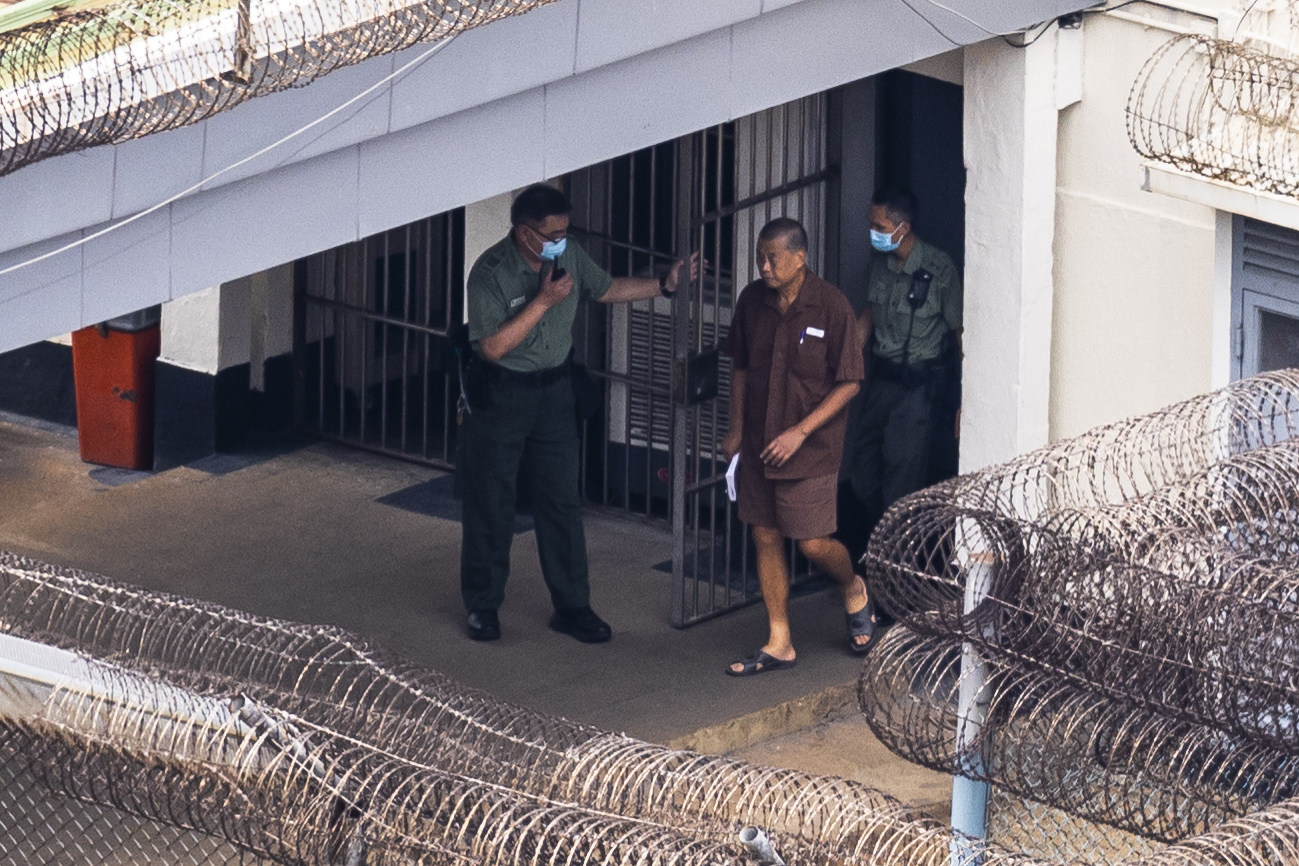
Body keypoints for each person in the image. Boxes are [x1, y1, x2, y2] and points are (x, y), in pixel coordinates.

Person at [459, 183, 697, 643]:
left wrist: (665, 285)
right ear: (525, 234)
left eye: (565, 230)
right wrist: (543, 303)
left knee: (562, 501)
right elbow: (491, 347)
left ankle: (572, 605)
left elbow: (606, 288)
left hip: (554, 392)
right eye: (552, 233)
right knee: (492, 501)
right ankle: (483, 604)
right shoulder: (490, 272)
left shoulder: (569, 258)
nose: (561, 239)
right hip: (504, 392)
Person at [721, 217, 872, 677]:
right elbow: (742, 369)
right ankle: (779, 638)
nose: (764, 266)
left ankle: (853, 587)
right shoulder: (752, 301)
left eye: (773, 258)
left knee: (810, 542)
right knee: (764, 535)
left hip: (811, 448)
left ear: (800, 257)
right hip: (760, 443)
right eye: (760, 257)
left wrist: (800, 432)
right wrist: (734, 428)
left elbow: (849, 383)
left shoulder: (830, 306)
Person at [840, 187, 963, 559]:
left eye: (879, 225)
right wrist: (841, 366)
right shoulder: (881, 265)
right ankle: (878, 541)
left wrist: (963, 403)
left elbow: (960, 335)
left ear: (903, 228)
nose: (872, 232)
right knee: (861, 467)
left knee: (901, 475)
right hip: (881, 381)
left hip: (917, 389)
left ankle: (892, 567)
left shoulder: (939, 270)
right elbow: (869, 317)